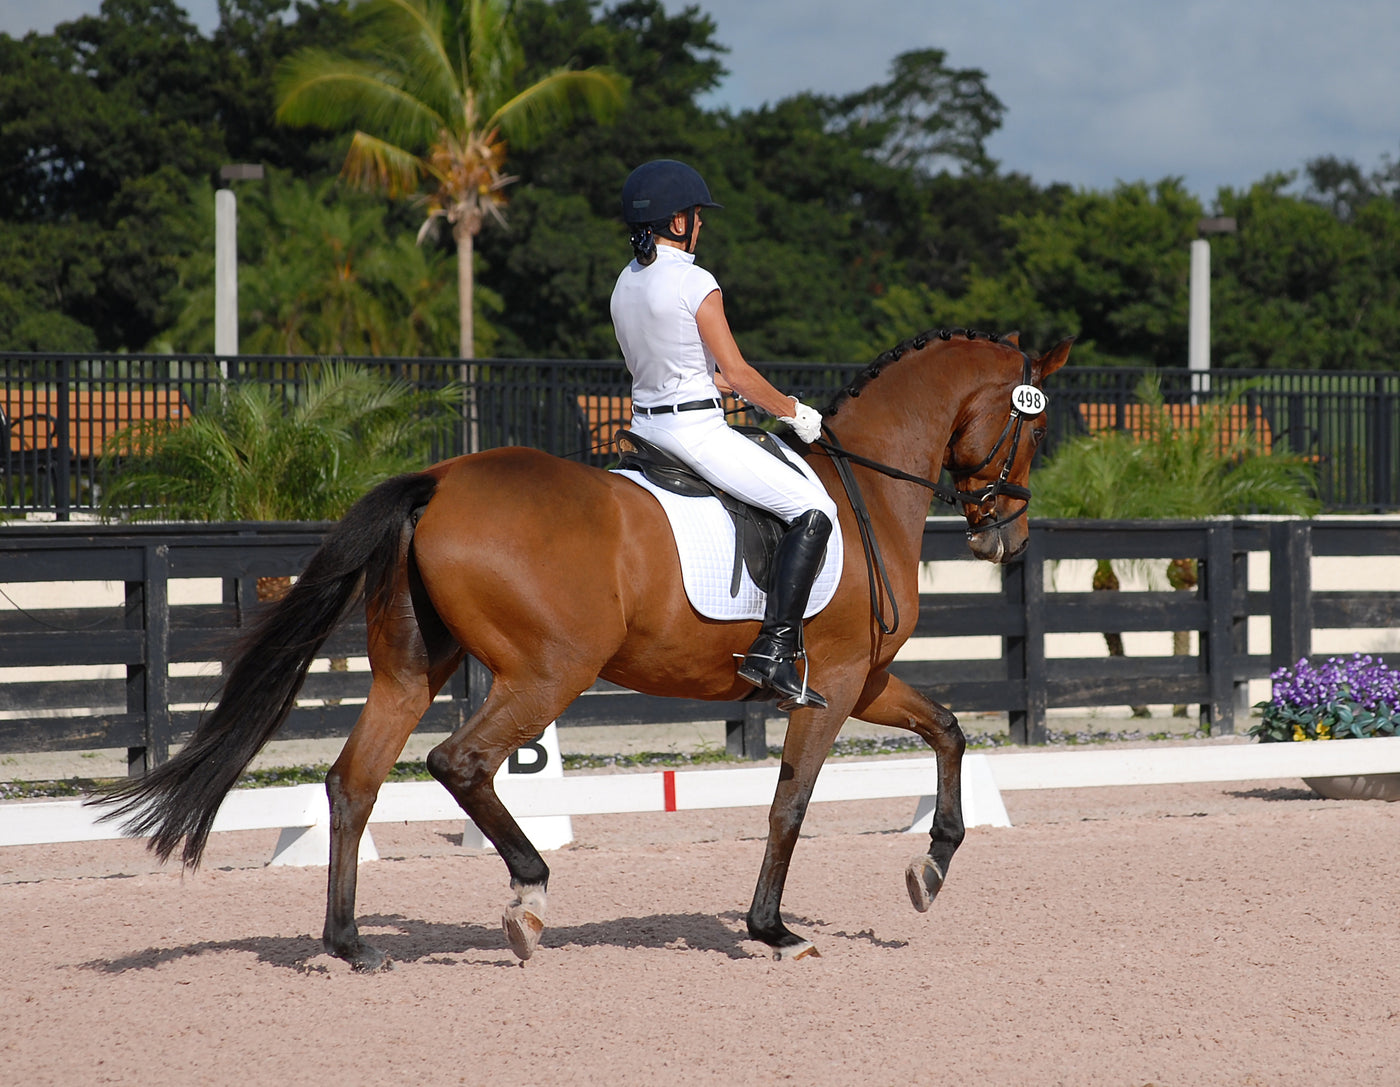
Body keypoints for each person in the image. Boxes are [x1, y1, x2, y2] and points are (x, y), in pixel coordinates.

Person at [610, 159, 839, 710]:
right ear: (678, 222)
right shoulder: (695, 281)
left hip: (646, 427)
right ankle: (775, 648)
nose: (701, 226)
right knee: (815, 510)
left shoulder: (626, 281)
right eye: (696, 216)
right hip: (695, 431)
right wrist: (792, 411)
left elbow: (672, 365)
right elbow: (736, 373)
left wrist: (712, 383)